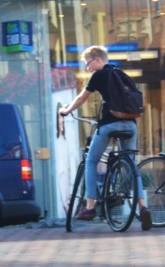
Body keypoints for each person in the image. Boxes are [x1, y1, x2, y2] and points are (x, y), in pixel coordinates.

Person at [58, 45, 153, 231]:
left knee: (91, 161)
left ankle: (90, 207)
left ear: (98, 59)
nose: (88, 68)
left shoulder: (99, 75)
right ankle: (143, 207)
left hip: (110, 124)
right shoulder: (122, 74)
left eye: (88, 64)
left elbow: (81, 98)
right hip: (131, 125)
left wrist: (66, 110)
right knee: (131, 165)